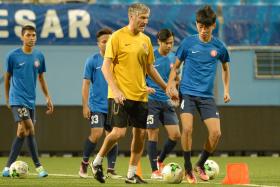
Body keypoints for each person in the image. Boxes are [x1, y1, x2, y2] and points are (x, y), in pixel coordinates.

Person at [90, 3, 166, 184]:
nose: (145, 21)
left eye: (147, 18)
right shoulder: (116, 37)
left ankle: (131, 174)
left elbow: (149, 68)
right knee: (118, 133)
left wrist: (166, 87)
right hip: (119, 95)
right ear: (131, 17)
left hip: (140, 95)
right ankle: (97, 161)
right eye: (142, 17)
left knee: (140, 135)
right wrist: (115, 90)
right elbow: (106, 68)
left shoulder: (146, 40)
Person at [166, 5, 231, 184]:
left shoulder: (219, 46)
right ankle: (187, 168)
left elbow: (225, 68)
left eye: (207, 27)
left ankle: (200, 164)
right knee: (187, 129)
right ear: (196, 25)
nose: (203, 30)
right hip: (187, 94)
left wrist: (226, 89)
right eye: (200, 26)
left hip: (207, 97)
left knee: (216, 133)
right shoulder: (188, 43)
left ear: (213, 26)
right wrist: (170, 84)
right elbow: (176, 66)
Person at [2, 25, 54, 178]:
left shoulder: (39, 56)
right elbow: (7, 79)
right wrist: (7, 99)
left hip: (31, 101)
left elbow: (41, 79)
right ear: (22, 37)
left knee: (22, 133)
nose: (31, 38)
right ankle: (39, 167)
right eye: (28, 35)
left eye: (33, 35)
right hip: (17, 99)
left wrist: (47, 97)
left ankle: (6, 168)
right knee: (30, 128)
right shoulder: (12, 56)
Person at [79, 28, 121, 179]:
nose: (107, 43)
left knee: (113, 136)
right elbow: (86, 84)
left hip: (113, 105)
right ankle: (84, 163)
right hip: (96, 106)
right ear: (98, 44)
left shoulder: (117, 60)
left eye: (110, 41)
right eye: (104, 41)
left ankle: (110, 169)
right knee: (96, 134)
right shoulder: (92, 60)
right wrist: (85, 105)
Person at [146, 29, 181, 179]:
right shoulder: (151, 57)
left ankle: (160, 161)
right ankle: (154, 171)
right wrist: (145, 87)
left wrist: (176, 92)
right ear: (159, 42)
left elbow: (175, 79)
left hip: (167, 101)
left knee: (175, 135)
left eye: (171, 43)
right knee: (153, 133)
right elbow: (141, 75)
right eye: (166, 43)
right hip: (151, 100)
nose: (169, 46)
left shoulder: (174, 57)